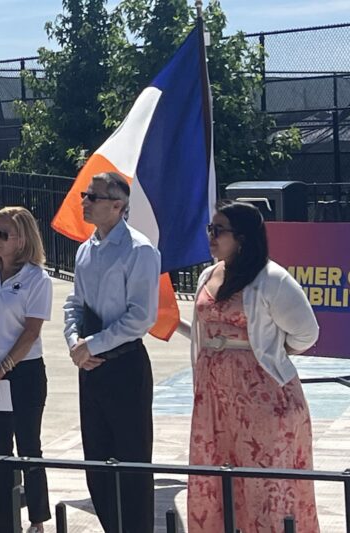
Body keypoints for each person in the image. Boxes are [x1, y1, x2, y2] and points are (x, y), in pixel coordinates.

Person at [181, 201, 320, 532]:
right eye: (210, 229)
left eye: (219, 230)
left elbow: (307, 333)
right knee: (216, 477)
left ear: (242, 237)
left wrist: (273, 352)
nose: (211, 237)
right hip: (214, 399)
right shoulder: (208, 275)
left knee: (264, 486)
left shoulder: (272, 278)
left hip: (263, 399)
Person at [62, 172, 160, 533]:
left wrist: (94, 344)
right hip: (90, 367)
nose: (85, 202)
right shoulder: (85, 250)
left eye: (93, 197)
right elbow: (74, 304)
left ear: (118, 205)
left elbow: (141, 317)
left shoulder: (139, 250)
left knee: (131, 464)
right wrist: (75, 342)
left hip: (124, 365)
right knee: (97, 463)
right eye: (85, 195)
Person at [0, 206, 52, 533]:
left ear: (22, 240)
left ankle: (37, 519)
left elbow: (31, 331)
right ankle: (6, 519)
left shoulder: (37, 278)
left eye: (3, 234)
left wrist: (4, 366)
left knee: (29, 446)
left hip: (25, 371)